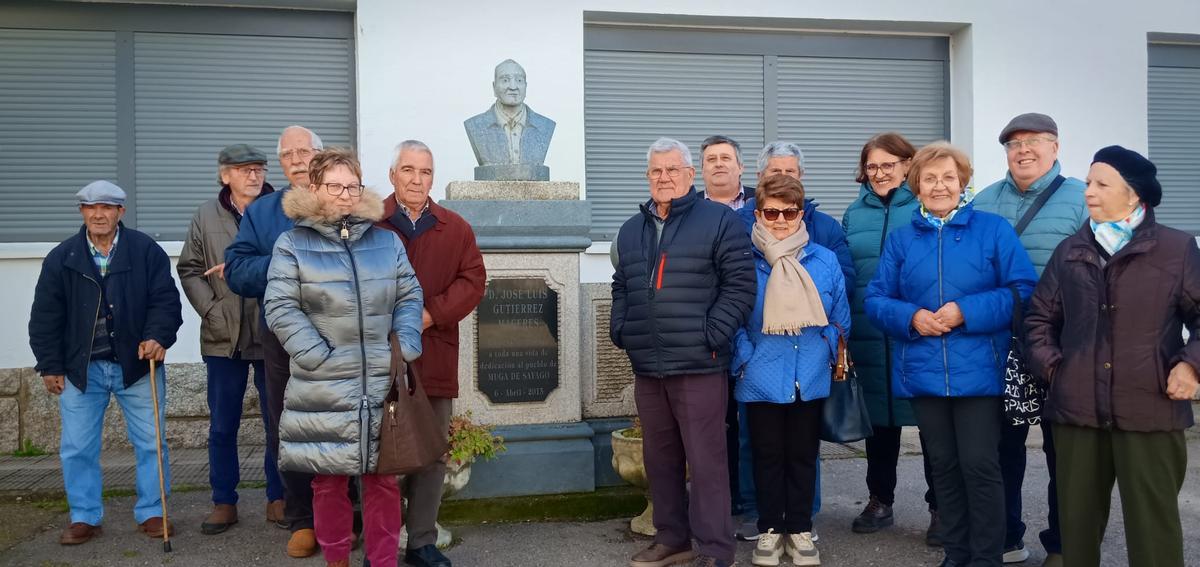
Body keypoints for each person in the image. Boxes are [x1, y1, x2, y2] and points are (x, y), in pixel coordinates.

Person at [1025, 145, 1200, 567]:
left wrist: (1191, 364)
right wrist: (1055, 369)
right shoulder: (1069, 250)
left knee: (1153, 526)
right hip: (1077, 410)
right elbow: (1037, 319)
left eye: (1102, 184)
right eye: (1088, 183)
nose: (1089, 192)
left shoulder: (1176, 249)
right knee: (1076, 527)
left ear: (1134, 194)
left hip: (1149, 406)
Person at [865, 142, 1037, 567]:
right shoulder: (903, 240)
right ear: (916, 185)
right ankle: (956, 554)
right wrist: (912, 316)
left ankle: (986, 557)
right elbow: (876, 298)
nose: (939, 185)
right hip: (923, 370)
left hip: (980, 370)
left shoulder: (993, 230)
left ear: (963, 183)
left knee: (980, 466)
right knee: (942, 466)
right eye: (930, 178)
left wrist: (967, 311)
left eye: (948, 177)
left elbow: (1023, 290)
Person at [264, 148, 423, 567]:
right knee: (328, 480)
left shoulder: (386, 241)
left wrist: (405, 345)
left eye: (351, 185)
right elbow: (280, 307)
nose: (344, 194)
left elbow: (409, 295)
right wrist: (316, 355)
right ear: (314, 189)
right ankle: (336, 560)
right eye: (334, 186)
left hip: (379, 382)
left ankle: (384, 561)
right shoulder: (292, 244)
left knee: (382, 480)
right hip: (323, 381)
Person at [612, 137, 755, 567]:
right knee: (661, 459)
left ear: (690, 175)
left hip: (699, 365)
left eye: (672, 170)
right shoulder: (630, 229)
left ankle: (714, 548)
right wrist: (623, 330)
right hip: (649, 365)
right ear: (647, 176)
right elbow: (622, 283)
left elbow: (740, 286)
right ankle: (672, 539)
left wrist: (711, 334)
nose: (664, 178)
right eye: (656, 171)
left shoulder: (718, 221)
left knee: (707, 461)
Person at [28, 180, 183, 545]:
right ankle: (84, 517)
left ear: (120, 213)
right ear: (82, 212)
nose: (99, 214)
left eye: (107, 207)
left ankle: (153, 512)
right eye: (91, 207)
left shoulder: (146, 251)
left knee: (151, 443)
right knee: (78, 447)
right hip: (82, 369)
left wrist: (158, 336)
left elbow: (166, 302)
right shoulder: (62, 257)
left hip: (136, 364)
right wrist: (50, 365)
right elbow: (45, 317)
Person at [971, 113, 1088, 566]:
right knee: (1003, 449)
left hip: (1064, 346)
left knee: (1067, 455)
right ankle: (1006, 537)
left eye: (1034, 141)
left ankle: (1061, 544)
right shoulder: (983, 202)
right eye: (1014, 143)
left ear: (1055, 147)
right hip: (1001, 344)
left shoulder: (1083, 200)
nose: (1023, 150)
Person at [375, 140, 486, 567]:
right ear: (393, 176)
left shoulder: (454, 227)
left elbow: (473, 280)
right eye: (408, 170)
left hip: (434, 352)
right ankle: (381, 538)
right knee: (377, 450)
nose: (416, 179)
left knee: (431, 450)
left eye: (424, 172)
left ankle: (421, 541)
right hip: (380, 354)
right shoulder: (371, 223)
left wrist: (429, 314)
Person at [732, 174, 850, 567]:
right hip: (760, 374)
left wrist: (824, 348)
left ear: (801, 213)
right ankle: (769, 530)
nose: (780, 219)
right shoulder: (743, 260)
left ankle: (799, 530)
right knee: (766, 456)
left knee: (802, 455)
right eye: (771, 212)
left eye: (789, 211)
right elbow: (731, 317)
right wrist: (744, 357)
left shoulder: (823, 259)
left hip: (810, 374)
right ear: (759, 213)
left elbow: (840, 319)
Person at [225, 125, 328, 557]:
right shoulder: (262, 212)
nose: (297, 159)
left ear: (320, 156)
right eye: (288, 154)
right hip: (282, 338)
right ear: (280, 163)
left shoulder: (341, 198)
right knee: (289, 427)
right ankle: (302, 519)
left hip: (339, 331)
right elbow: (237, 271)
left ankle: (349, 513)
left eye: (305, 151)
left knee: (348, 422)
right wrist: (286, 261)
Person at [841, 133, 940, 542]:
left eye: (888, 165)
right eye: (872, 166)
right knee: (878, 427)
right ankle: (880, 500)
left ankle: (942, 508)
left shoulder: (924, 206)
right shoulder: (853, 212)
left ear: (907, 165)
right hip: (868, 333)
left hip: (917, 333)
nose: (879, 173)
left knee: (934, 428)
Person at [177, 144, 280, 534]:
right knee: (223, 424)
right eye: (243, 170)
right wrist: (211, 310)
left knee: (277, 422)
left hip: (273, 332)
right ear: (225, 176)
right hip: (224, 337)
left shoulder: (281, 209)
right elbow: (189, 268)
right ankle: (223, 500)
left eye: (259, 168)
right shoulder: (206, 215)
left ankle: (278, 496)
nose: (253, 176)